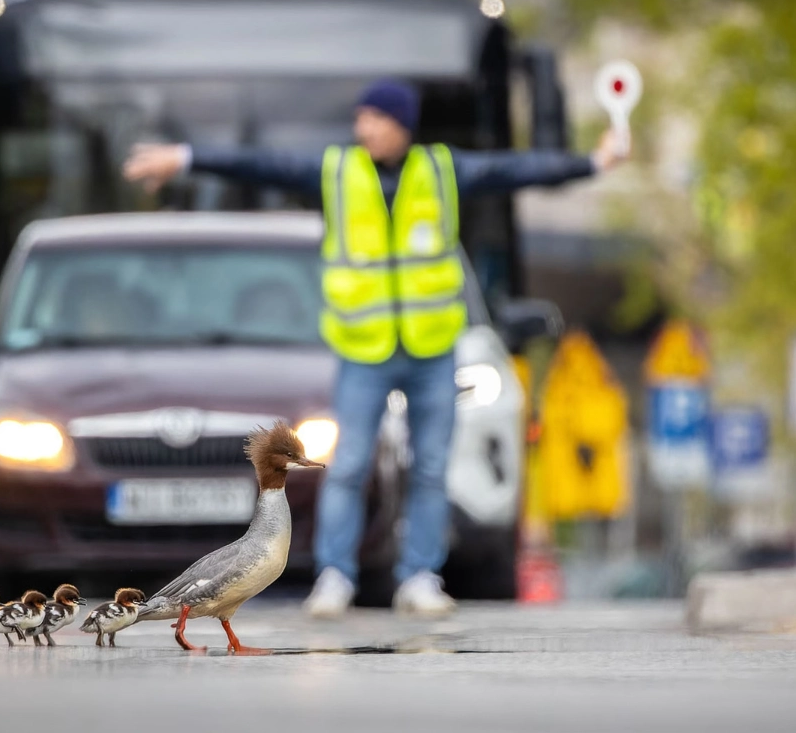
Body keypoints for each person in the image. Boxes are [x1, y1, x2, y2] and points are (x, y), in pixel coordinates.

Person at [122, 79, 629, 618]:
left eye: (375, 118)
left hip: (433, 347)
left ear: (401, 124)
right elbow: (263, 164)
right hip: (364, 350)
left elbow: (514, 170)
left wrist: (593, 164)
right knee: (347, 466)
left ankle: (419, 578)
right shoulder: (339, 170)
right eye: (361, 118)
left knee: (432, 466)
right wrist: (186, 157)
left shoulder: (440, 170)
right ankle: (336, 576)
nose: (363, 128)